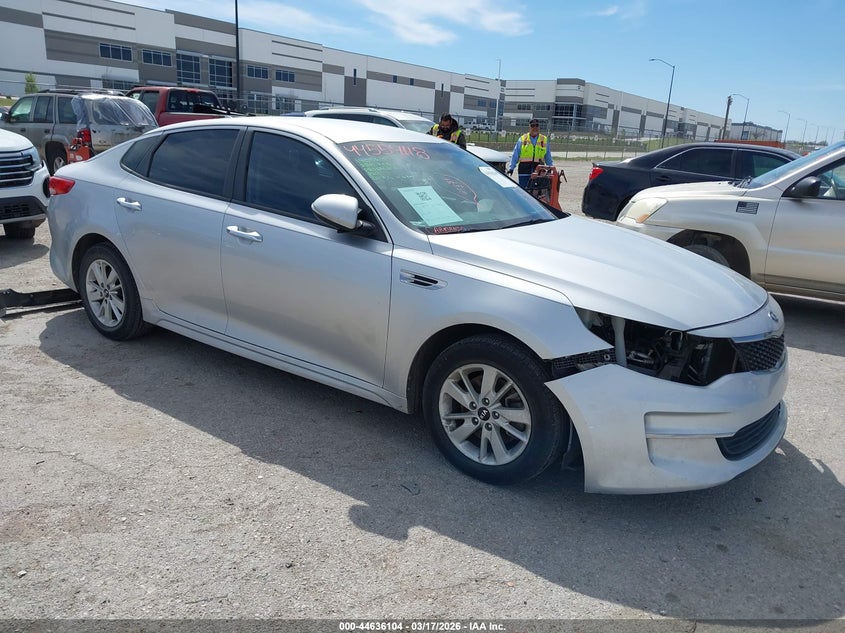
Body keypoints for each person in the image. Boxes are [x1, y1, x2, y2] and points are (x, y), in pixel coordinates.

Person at [507, 119, 553, 187]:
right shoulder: (522, 139)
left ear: (539, 127)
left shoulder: (544, 140)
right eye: (532, 126)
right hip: (524, 170)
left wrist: (550, 168)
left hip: (538, 170)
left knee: (537, 192)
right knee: (524, 190)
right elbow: (515, 155)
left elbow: (548, 156)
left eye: (537, 125)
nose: (535, 128)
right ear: (529, 127)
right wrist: (511, 168)